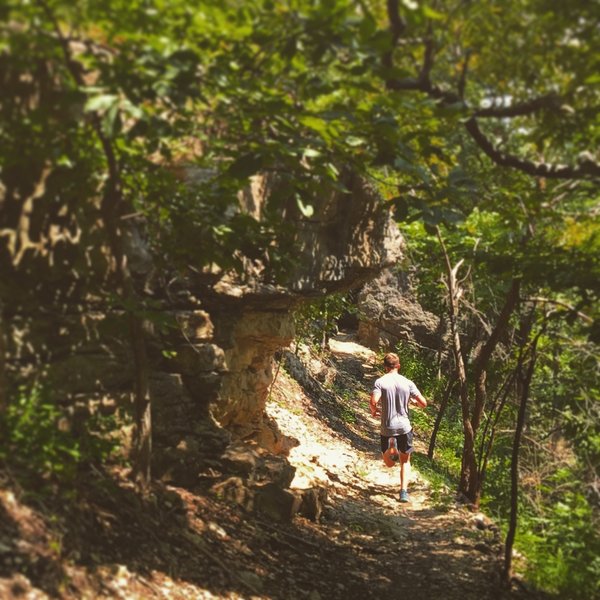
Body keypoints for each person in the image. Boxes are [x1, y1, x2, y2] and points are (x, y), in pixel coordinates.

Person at [369, 352, 427, 503]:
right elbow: (423, 403)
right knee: (405, 461)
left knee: (389, 463)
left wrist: (374, 411)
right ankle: (403, 492)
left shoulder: (380, 382)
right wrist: (414, 403)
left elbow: (374, 401)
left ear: (385, 367)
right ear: (398, 366)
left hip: (387, 427)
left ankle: (391, 447)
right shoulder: (408, 383)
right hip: (404, 427)